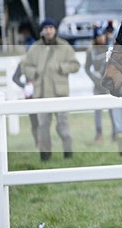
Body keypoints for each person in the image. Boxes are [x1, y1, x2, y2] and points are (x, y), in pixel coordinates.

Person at [20, 19, 80, 161]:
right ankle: (45, 156)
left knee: (63, 126)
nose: (48, 30)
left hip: (60, 93)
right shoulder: (35, 48)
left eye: (51, 27)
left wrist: (62, 68)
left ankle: (68, 155)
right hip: (41, 94)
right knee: (43, 128)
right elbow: (25, 66)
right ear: (42, 30)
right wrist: (35, 72)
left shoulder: (64, 46)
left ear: (55, 29)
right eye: (46, 28)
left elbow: (75, 65)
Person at [85, 26, 114, 144]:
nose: (101, 38)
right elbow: (87, 68)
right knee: (98, 111)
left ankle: (116, 133)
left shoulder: (110, 48)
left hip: (109, 85)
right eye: (98, 37)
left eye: (103, 36)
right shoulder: (91, 51)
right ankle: (99, 134)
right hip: (97, 84)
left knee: (113, 110)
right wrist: (95, 79)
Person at [11, 61, 40, 146]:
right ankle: (37, 143)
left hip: (42, 92)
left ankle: (43, 141)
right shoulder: (24, 62)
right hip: (30, 94)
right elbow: (15, 78)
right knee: (34, 121)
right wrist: (25, 86)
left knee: (43, 120)